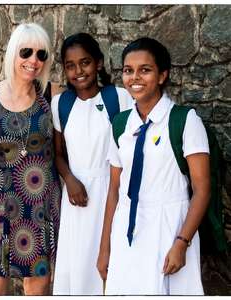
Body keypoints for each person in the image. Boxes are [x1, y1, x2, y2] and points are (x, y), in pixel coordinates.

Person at [97, 37, 210, 295]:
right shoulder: (120, 124)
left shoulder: (185, 121)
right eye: (128, 70)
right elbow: (115, 189)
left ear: (162, 75)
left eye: (145, 70)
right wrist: (105, 248)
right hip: (127, 228)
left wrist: (182, 242)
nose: (135, 77)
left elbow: (202, 190)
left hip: (169, 227)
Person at [0, 23, 62, 295]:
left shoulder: (52, 95)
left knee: (38, 286)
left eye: (41, 55)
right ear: (13, 53)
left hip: (41, 201)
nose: (33, 61)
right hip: (0, 202)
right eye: (26, 52)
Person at [51, 32, 133, 295]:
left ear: (98, 63)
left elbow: (130, 146)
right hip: (76, 196)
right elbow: (57, 153)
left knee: (111, 259)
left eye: (85, 62)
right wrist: (70, 179)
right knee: (78, 263)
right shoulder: (60, 103)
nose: (78, 71)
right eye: (70, 65)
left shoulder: (118, 98)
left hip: (113, 191)